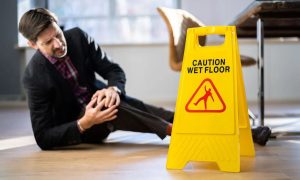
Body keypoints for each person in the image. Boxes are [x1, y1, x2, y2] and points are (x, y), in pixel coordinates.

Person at [19, 8, 270, 150]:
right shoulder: (34, 77)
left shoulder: (77, 37)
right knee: (132, 113)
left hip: (112, 105)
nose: (58, 43)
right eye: (48, 42)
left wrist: (114, 89)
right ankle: (192, 135)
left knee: (163, 114)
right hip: (85, 127)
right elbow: (43, 137)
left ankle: (244, 132)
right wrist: (84, 123)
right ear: (32, 44)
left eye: (58, 35)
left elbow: (113, 70)